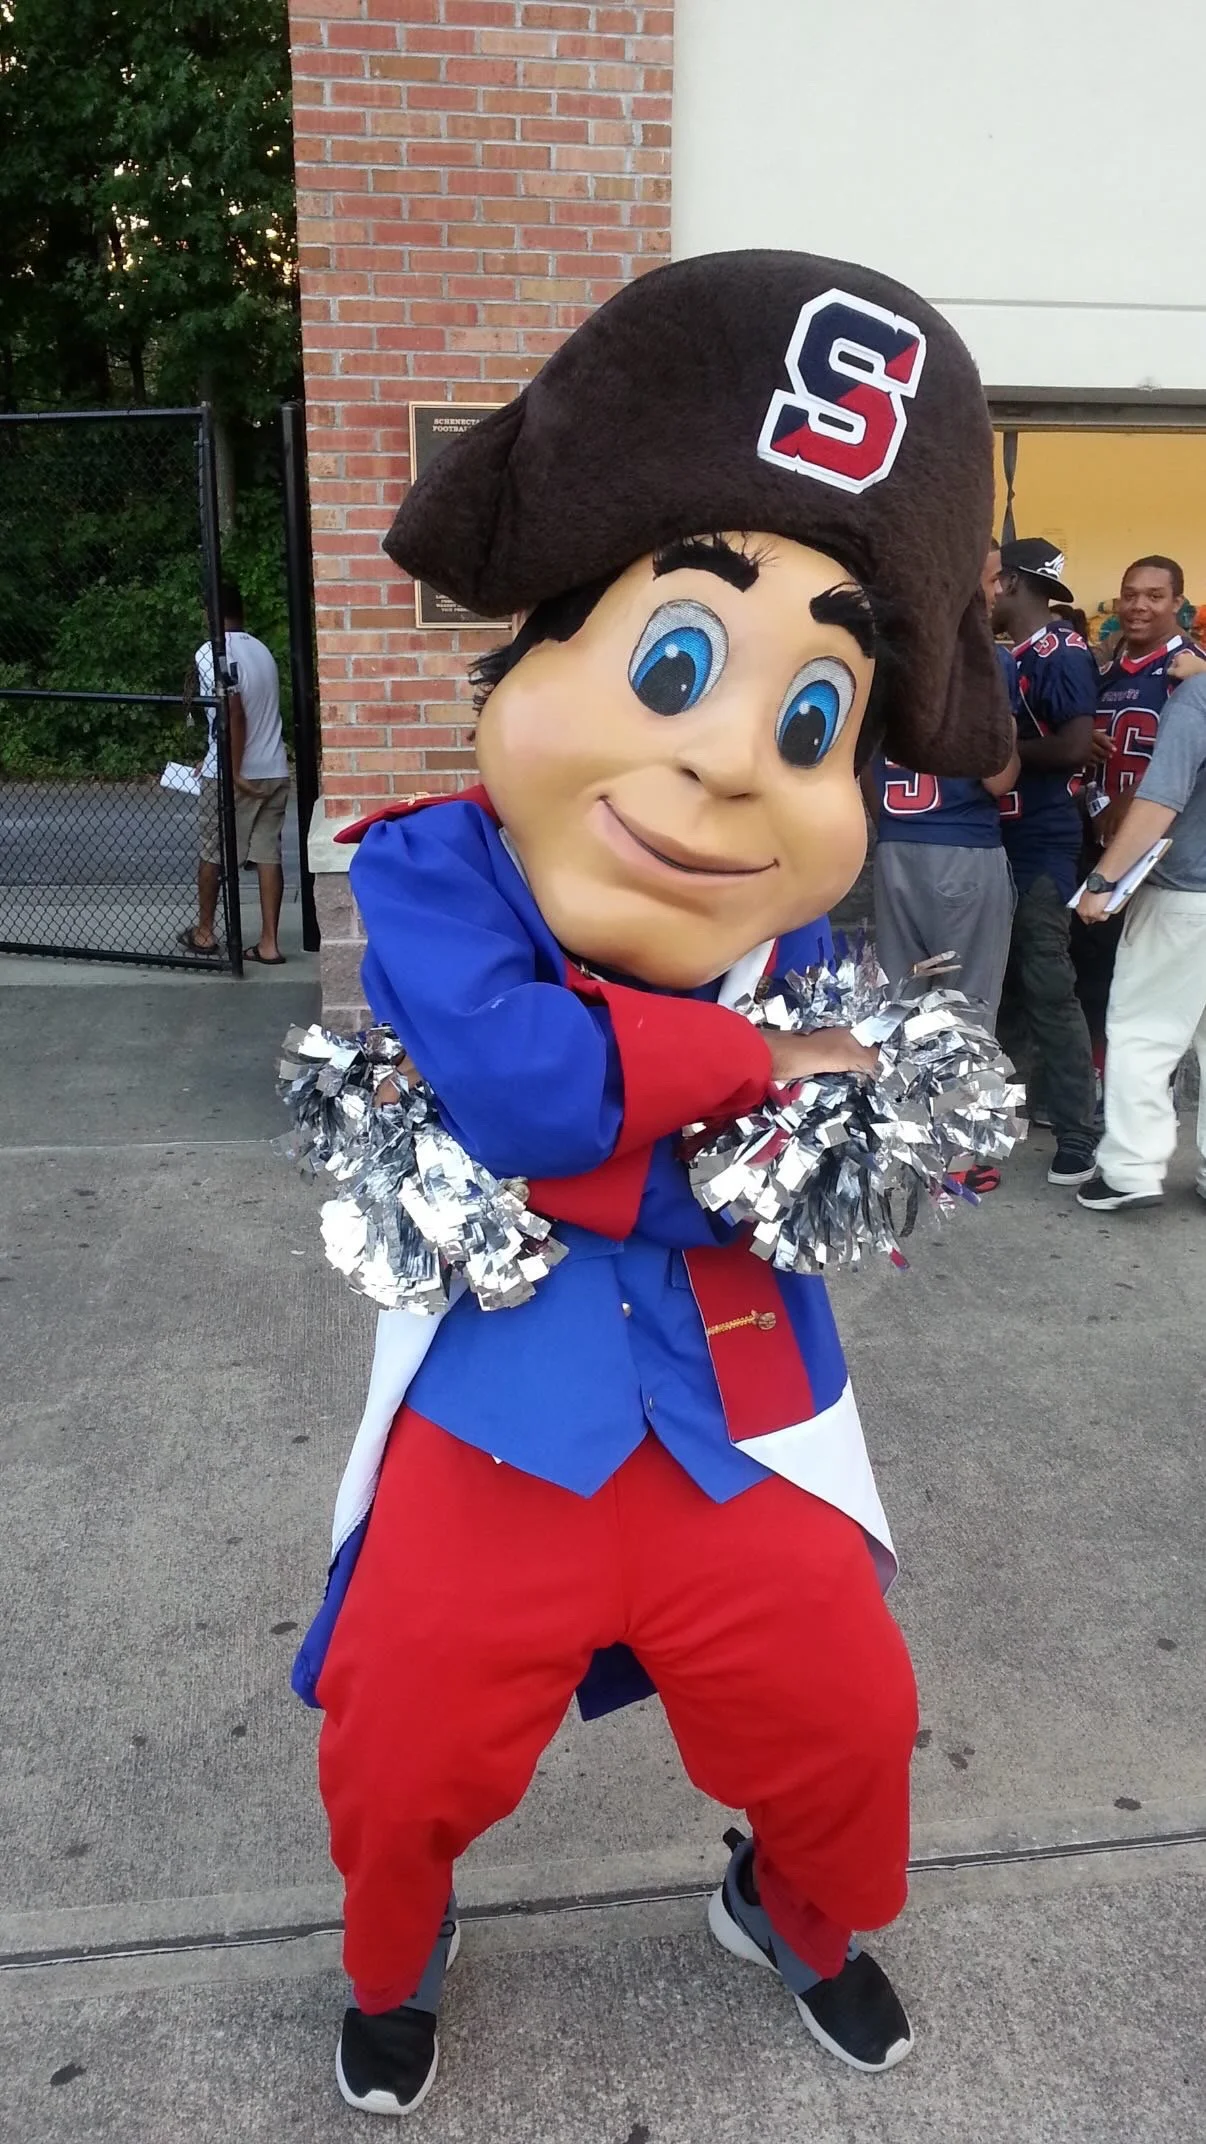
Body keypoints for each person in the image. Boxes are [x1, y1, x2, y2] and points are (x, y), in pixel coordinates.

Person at [293, 253, 1012, 2117]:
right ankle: (398, 1951)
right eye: (677, 660)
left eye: (808, 721)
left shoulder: (808, 944)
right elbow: (524, 1095)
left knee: (850, 1712)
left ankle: (794, 1907)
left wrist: (645, 1128)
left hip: (741, 1407)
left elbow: (813, 1181)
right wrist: (753, 1070)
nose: (718, 758)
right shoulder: (440, 868)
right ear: (532, 648)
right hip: (500, 1411)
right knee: (405, 1728)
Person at [864, 546, 1019, 1189]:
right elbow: (999, 777)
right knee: (968, 1005)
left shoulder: (883, 658)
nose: (997, 590)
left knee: (904, 1002)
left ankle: (902, 1140)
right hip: (962, 849)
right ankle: (959, 1155)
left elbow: (863, 774)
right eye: (988, 578)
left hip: (896, 846)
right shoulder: (985, 663)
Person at [1074, 670, 1206, 1210]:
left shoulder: (1199, 697)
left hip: (1184, 893)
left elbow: (1160, 799)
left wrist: (1103, 879)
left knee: (1142, 1034)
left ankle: (1130, 1171)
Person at [992, 538, 1100, 1184]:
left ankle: (1077, 1132)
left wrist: (996, 754)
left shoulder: (1064, 650)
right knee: (1006, 982)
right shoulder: (1018, 654)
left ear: (1008, 583)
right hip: (1005, 833)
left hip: (1045, 837)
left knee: (1047, 981)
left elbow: (1075, 746)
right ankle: (1016, 1103)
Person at [1074, 556, 1201, 1077]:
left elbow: (1171, 775)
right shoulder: (1101, 669)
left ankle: (1139, 1097)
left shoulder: (1190, 670)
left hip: (1159, 853)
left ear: (1178, 603)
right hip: (1094, 834)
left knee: (1149, 998)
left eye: (1154, 596)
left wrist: (1125, 809)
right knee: (1098, 971)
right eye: (1130, 594)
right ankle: (1104, 1084)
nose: (1139, 606)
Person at [177, 581, 290, 965]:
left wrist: (232, 768)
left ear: (209, 613)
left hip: (237, 772)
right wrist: (212, 753)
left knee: (213, 850)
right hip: (274, 767)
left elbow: (234, 712)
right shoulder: (261, 650)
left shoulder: (213, 651)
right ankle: (269, 944)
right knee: (267, 854)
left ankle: (205, 932)